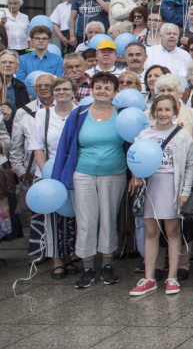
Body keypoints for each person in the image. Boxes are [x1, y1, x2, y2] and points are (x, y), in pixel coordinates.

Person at [51, 72, 127, 288]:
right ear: (91, 90)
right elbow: (64, 149)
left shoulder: (122, 115)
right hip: (83, 174)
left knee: (109, 220)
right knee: (85, 221)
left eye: (107, 87)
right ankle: (87, 268)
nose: (102, 91)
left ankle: (107, 266)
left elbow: (132, 146)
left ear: (115, 92)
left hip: (114, 175)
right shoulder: (78, 115)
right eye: (98, 87)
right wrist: (58, 179)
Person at [127, 94, 193, 296]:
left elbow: (190, 166)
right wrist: (135, 175)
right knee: (151, 232)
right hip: (150, 187)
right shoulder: (143, 135)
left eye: (167, 109)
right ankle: (149, 278)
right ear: (153, 112)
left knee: (173, 231)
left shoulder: (183, 136)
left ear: (175, 112)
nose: (163, 113)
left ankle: (172, 277)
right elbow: (136, 160)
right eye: (159, 109)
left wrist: (185, 191)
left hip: (171, 187)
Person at [27, 75, 76, 277]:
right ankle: (57, 260)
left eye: (66, 89)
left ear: (73, 91)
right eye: (58, 89)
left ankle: (70, 256)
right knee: (52, 220)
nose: (61, 92)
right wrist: (47, 173)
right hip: (49, 174)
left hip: (74, 173)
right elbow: (37, 146)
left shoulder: (81, 112)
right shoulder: (42, 115)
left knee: (72, 218)